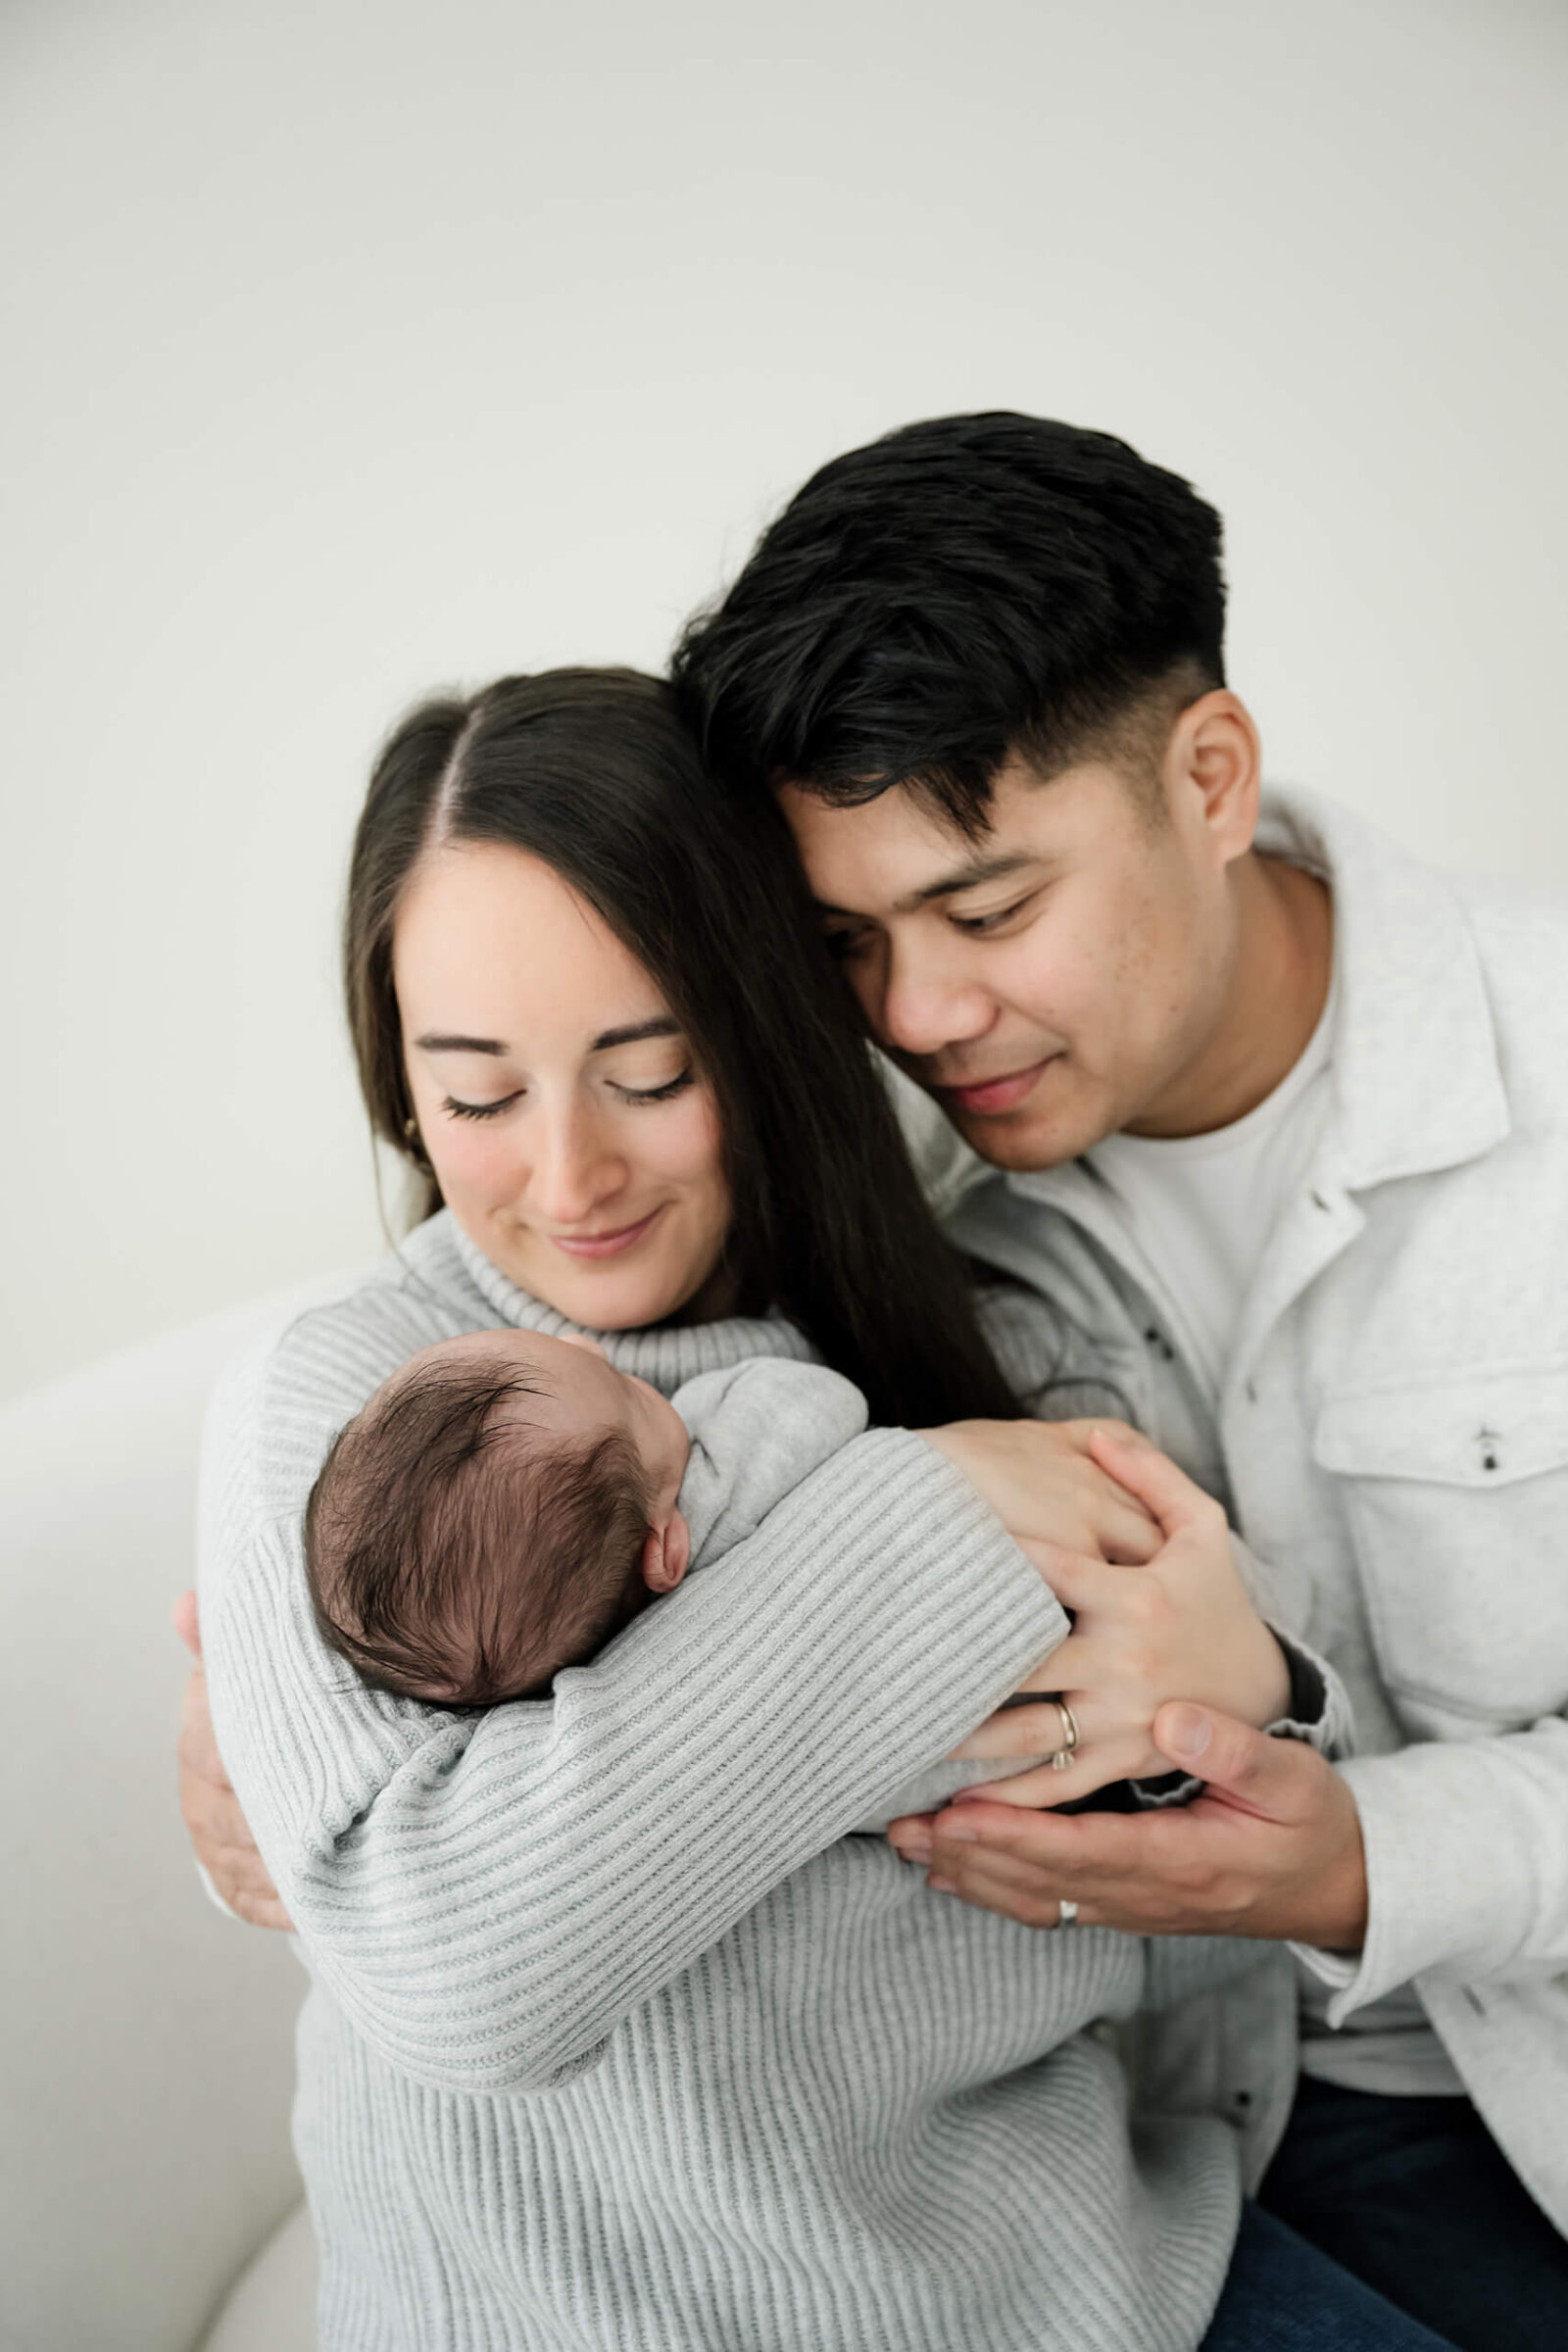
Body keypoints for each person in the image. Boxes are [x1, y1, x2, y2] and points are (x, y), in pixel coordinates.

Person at [189, 666, 1443, 2350]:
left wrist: (1261, 1697)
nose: (569, 1178)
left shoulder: (988, 1330)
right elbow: (460, 1976)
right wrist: (922, 1514)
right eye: (477, 1093)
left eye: (650, 1072)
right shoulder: (347, 1404)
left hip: (1081, 2285)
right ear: (399, 1084)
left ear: (771, 1033)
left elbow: (1207, 1925)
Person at [669, 408, 1568, 2352]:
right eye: (847, 941)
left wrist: (1364, 1859)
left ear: (1209, 777)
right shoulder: (873, 1204)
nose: (920, 1016)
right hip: (1180, 2152)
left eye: (989, 909)